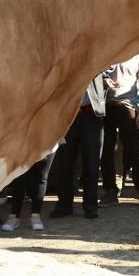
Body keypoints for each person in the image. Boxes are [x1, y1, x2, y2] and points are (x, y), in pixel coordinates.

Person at [100, 54, 139, 207]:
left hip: (128, 106)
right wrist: (103, 82)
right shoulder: (111, 46)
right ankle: (110, 190)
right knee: (107, 151)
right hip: (105, 105)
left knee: (134, 150)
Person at [50, 72, 107, 218]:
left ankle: (90, 206)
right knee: (65, 161)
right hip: (67, 114)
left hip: (91, 113)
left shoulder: (96, 52)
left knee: (92, 162)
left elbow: (108, 66)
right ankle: (64, 205)